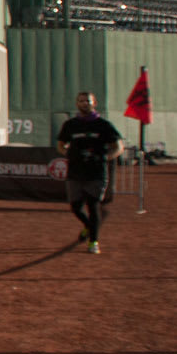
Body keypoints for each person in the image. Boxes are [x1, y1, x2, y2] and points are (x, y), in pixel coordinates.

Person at [56, 91, 124, 254]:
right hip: (75, 172)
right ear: (76, 104)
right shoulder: (70, 125)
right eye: (80, 101)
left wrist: (105, 158)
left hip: (96, 173)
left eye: (87, 101)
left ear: (94, 103)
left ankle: (94, 241)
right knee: (75, 207)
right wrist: (70, 155)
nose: (84, 103)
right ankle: (88, 226)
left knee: (93, 206)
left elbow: (119, 147)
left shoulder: (103, 125)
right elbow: (60, 145)